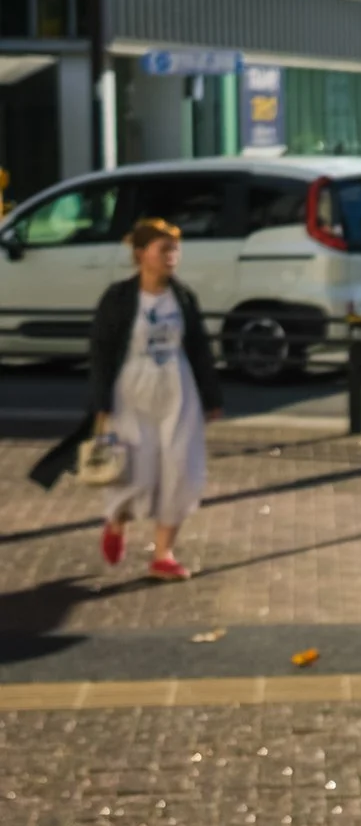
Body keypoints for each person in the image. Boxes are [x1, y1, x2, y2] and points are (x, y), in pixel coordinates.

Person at [87, 219, 223, 579]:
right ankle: (116, 521)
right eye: (163, 249)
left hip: (177, 389)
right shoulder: (117, 298)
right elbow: (100, 352)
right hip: (131, 390)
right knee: (136, 469)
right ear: (140, 254)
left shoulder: (182, 296)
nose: (172, 256)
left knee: (179, 466)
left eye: (175, 249)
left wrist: (211, 396)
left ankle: (164, 554)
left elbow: (199, 347)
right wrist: (100, 403)